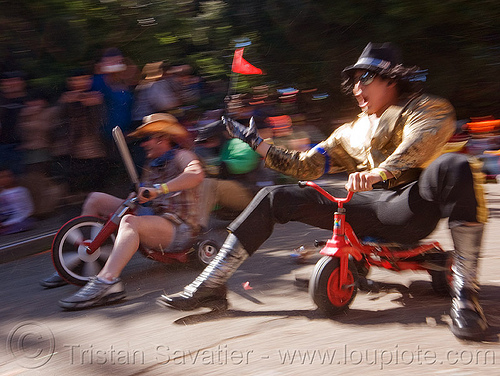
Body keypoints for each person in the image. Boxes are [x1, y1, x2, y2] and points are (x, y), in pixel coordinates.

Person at [157, 42, 489, 341]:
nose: (356, 88)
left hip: (410, 206)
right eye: (354, 81)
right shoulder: (350, 131)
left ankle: (466, 296)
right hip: (366, 208)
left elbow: (420, 143)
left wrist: (378, 173)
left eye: (365, 79)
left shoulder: (426, 107)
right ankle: (211, 285)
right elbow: (303, 165)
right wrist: (252, 140)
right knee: (275, 197)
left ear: (390, 80)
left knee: (456, 167)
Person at [50, 113, 204, 309]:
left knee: (129, 222)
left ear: (162, 139)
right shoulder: (152, 165)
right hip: (155, 220)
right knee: (96, 199)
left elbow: (196, 174)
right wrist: (135, 198)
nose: (144, 144)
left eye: (147, 138)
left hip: (179, 229)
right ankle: (80, 263)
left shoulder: (182, 155)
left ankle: (108, 282)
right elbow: (141, 199)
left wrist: (159, 189)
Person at [0, 166, 35, 235]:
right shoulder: (1, 194)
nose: (5, 179)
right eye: (1, 177)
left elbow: (27, 210)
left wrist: (7, 223)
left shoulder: (21, 191)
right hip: (6, 220)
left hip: (20, 220)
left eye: (8, 176)